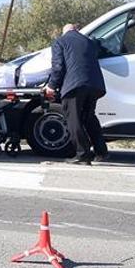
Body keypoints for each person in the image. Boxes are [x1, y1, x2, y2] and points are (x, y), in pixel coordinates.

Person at [44, 24, 108, 165]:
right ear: (76, 30)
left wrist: (51, 86)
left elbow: (58, 66)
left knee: (74, 120)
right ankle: (101, 151)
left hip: (74, 86)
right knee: (89, 117)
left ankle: (82, 154)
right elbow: (101, 47)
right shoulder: (90, 42)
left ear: (64, 31)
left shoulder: (60, 41)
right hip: (95, 85)